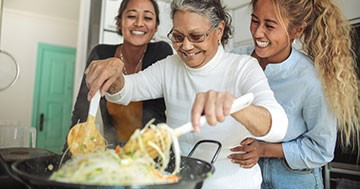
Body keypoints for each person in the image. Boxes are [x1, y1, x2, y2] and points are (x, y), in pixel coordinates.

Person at [84, 0, 288, 188]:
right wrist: (115, 73)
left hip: (232, 181)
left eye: (196, 36)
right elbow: (127, 90)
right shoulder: (169, 67)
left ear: (219, 31)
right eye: (178, 37)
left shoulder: (243, 68)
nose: (186, 46)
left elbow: (278, 126)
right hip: (180, 179)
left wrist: (234, 106)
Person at [230, 0, 360, 188]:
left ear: (297, 31)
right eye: (255, 20)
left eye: (270, 25)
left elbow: (321, 150)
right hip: (243, 171)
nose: (257, 32)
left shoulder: (312, 80)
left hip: (291, 177)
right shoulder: (236, 59)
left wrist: (264, 149)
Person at [67, 0, 173, 149]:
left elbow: (158, 114)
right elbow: (82, 110)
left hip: (152, 150)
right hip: (114, 150)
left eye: (147, 18)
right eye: (131, 16)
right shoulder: (100, 53)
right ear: (119, 22)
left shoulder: (161, 51)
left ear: (155, 27)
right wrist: (67, 156)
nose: (139, 23)